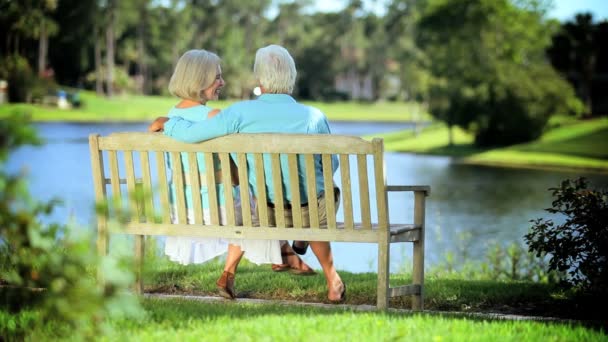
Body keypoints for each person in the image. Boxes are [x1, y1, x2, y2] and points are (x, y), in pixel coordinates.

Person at [150, 44, 345, 303]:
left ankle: (292, 246)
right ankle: (331, 279)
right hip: (309, 208)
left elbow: (191, 135)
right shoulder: (314, 116)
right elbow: (330, 165)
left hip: (266, 208)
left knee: (262, 197)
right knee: (321, 197)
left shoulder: (239, 112)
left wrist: (168, 122)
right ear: (292, 77)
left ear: (259, 79)